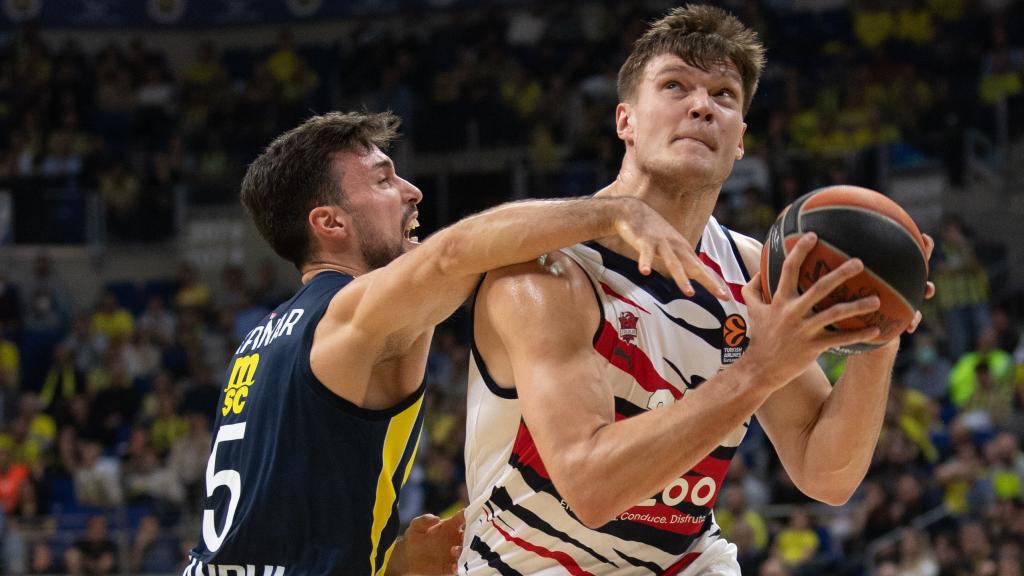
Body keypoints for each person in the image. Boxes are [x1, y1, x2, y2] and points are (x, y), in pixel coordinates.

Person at [460, 5, 935, 574]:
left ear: (740, 142)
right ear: (625, 121)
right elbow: (590, 489)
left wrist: (877, 336)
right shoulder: (546, 274)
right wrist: (758, 370)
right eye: (674, 85)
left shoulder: (755, 270)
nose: (701, 105)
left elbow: (825, 474)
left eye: (724, 95)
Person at [184, 110, 727, 576]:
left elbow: (272, 526)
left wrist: (388, 564)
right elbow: (455, 255)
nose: (411, 191)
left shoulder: (265, 337)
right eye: (383, 181)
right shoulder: (351, 314)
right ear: (329, 223)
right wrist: (617, 211)